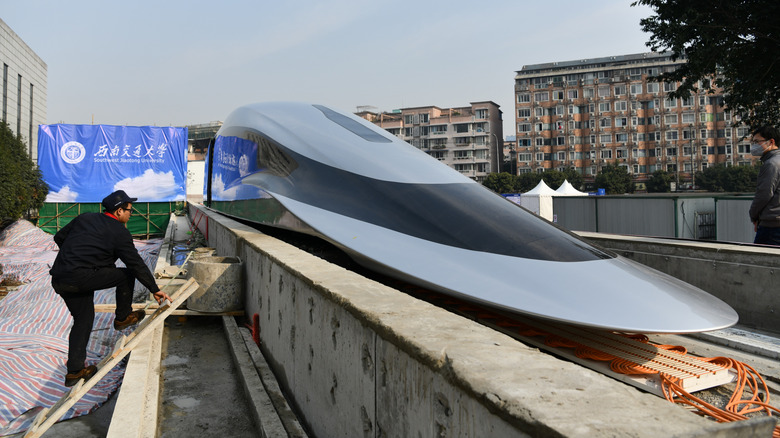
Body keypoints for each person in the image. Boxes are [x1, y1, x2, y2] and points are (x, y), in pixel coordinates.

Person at [50, 190, 172, 386]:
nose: (131, 214)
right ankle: (123, 317)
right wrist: (154, 288)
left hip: (60, 278)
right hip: (82, 277)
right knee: (126, 274)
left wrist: (81, 256)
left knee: (83, 319)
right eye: (129, 211)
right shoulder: (119, 232)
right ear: (118, 211)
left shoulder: (85, 218)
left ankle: (74, 371)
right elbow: (135, 264)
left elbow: (59, 238)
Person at [749, 126, 780, 245]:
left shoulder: (771, 164)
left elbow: (763, 194)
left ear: (771, 142)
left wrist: (753, 215)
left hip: (772, 226)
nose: (754, 146)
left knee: (760, 261)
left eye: (757, 142)